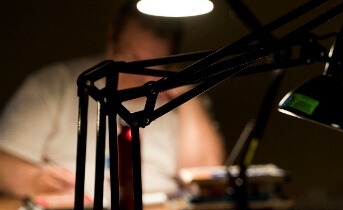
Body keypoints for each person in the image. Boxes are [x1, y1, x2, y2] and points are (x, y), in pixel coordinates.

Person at [0, 1, 224, 198]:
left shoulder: (179, 97)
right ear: (112, 38)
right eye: (130, 57)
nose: (137, 72)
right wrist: (33, 180)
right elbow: (4, 164)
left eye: (153, 63)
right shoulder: (55, 84)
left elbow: (204, 177)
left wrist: (188, 99)